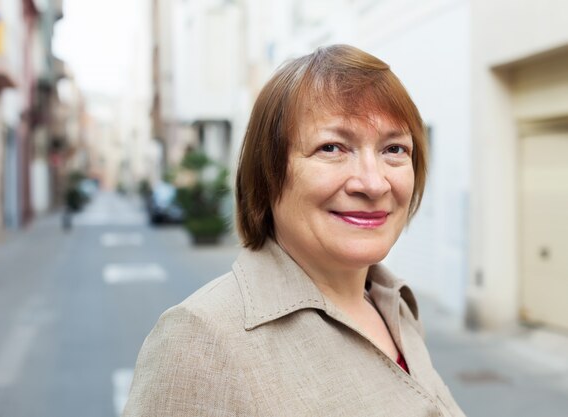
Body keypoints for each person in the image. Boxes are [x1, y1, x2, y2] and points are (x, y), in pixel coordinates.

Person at [123, 44, 465, 416]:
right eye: (332, 147)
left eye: (394, 149)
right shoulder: (202, 340)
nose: (374, 183)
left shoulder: (392, 304)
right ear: (268, 175)